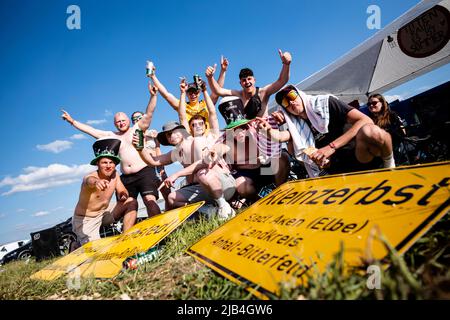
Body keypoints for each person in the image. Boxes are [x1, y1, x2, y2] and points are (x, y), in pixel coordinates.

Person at [61, 82, 160, 223]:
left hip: (144, 171)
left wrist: (153, 96)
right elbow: (91, 131)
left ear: (128, 121)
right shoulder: (111, 135)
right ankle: (127, 237)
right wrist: (72, 121)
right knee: (129, 204)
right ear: (115, 124)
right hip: (126, 177)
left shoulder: (137, 128)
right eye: (118, 122)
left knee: (149, 201)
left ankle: (163, 234)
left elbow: (149, 113)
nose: (121, 123)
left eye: (123, 120)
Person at [265, 85, 395, 177]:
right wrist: (267, 129)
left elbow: (365, 120)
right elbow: (281, 137)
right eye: (285, 102)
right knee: (293, 149)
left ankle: (390, 166)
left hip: (360, 154)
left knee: (371, 131)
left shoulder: (325, 103)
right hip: (339, 169)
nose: (291, 102)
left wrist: (331, 147)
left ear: (300, 95)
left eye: (292, 96)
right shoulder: (296, 126)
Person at [134, 119, 236, 219]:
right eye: (169, 135)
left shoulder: (196, 140)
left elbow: (205, 163)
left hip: (224, 184)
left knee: (202, 173)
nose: (172, 136)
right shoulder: (175, 152)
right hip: (204, 189)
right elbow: (153, 161)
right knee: (172, 198)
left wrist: (176, 174)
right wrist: (140, 149)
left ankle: (225, 207)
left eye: (174, 132)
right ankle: (210, 211)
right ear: (168, 139)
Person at [208, 97, 290, 203]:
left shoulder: (257, 126)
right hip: (246, 175)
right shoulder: (226, 140)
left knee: (282, 157)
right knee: (241, 186)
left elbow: (279, 119)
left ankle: (281, 193)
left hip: (266, 170)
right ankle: (260, 202)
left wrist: (282, 116)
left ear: (247, 125)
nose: (239, 132)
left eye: (242, 127)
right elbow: (219, 148)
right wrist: (214, 152)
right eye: (235, 129)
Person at [72, 138, 133, 248]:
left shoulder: (115, 174)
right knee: (97, 253)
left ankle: (126, 239)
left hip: (104, 213)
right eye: (104, 162)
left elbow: (122, 190)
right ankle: (76, 245)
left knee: (131, 202)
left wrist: (123, 194)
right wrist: (97, 182)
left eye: (111, 162)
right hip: (86, 220)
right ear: (97, 164)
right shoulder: (92, 177)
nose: (108, 166)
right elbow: (88, 180)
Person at [206, 49, 292, 119]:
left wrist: (286, 64)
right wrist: (210, 77)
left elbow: (282, 81)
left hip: (264, 133)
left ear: (254, 80)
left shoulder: (263, 93)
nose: (247, 82)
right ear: (240, 83)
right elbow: (218, 91)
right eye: (244, 80)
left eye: (249, 79)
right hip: (247, 135)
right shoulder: (238, 95)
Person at [149, 56, 229, 126]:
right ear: (186, 94)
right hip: (190, 140)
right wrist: (153, 76)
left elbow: (218, 90)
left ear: (199, 93)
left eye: (195, 92)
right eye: (190, 93)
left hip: (206, 139)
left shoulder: (205, 104)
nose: (193, 95)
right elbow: (166, 95)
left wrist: (223, 71)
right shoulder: (182, 106)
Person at [130, 111, 170, 208]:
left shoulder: (153, 133)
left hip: (156, 164)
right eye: (134, 119)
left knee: (166, 192)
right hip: (144, 167)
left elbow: (157, 149)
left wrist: (161, 167)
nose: (137, 120)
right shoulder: (132, 133)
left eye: (139, 117)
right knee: (150, 197)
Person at [367, 93, 406, 163]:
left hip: (395, 154)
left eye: (374, 103)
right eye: (369, 104)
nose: (371, 105)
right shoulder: (368, 120)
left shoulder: (391, 115)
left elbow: (403, 133)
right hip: (377, 157)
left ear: (382, 103)